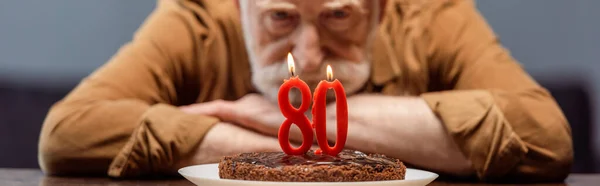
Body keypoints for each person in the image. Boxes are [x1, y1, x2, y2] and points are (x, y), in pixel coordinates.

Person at [38, 0, 573, 182]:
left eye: (339, 15)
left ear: (381, 8)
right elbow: (69, 133)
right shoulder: (196, 17)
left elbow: (545, 136)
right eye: (280, 18)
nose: (310, 55)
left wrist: (277, 124)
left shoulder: (432, 13)